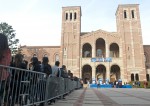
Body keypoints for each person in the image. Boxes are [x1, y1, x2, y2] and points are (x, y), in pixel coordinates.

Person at [0, 33, 11, 106]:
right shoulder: (7, 51)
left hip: (3, 75)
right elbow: (7, 62)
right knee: (2, 95)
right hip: (3, 76)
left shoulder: (6, 51)